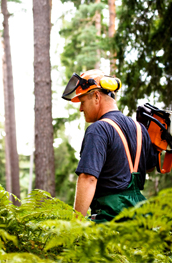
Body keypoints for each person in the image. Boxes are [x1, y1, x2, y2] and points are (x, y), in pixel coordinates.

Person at [62, 69, 157, 223]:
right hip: (141, 218)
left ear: (97, 97)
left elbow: (88, 178)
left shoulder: (98, 129)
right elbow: (150, 167)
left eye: (83, 101)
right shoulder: (140, 129)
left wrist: (75, 224)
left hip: (110, 218)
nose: (80, 108)